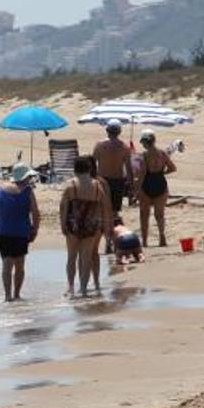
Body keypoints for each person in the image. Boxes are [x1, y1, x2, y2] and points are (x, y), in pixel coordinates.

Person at [60, 155, 112, 297]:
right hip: (91, 225)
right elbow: (105, 207)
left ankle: (71, 287)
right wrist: (107, 226)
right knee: (86, 257)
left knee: (72, 257)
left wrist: (63, 224)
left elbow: (63, 206)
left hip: (73, 225)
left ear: (75, 169)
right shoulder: (96, 185)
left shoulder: (71, 185)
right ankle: (83, 288)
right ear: (89, 169)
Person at [0, 163, 41, 302]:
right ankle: (17, 294)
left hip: (3, 231)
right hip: (20, 232)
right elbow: (36, 214)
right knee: (19, 266)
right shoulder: (27, 191)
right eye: (29, 177)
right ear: (24, 177)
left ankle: (7, 296)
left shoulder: (0, 190)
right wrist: (34, 230)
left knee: (6, 265)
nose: (30, 180)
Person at [135, 129, 176, 247]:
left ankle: (145, 242)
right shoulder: (162, 153)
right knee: (160, 214)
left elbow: (141, 174)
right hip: (160, 183)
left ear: (144, 142)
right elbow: (173, 168)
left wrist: (137, 189)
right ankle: (162, 238)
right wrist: (162, 173)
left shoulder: (143, 155)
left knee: (144, 215)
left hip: (147, 184)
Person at [93, 119, 134, 214]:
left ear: (107, 130)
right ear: (119, 132)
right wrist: (131, 183)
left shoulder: (99, 145)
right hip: (118, 181)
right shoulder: (124, 147)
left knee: (101, 208)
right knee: (114, 211)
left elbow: (92, 163)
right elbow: (129, 168)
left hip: (102, 180)